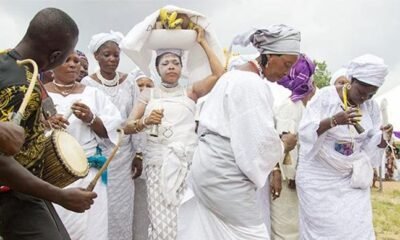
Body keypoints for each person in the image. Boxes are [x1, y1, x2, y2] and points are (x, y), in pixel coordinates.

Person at [177, 24, 299, 240]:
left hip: (207, 169)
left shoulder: (232, 77)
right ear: (270, 57)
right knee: (252, 235)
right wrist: (284, 145)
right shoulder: (250, 84)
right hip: (224, 177)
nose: (287, 72)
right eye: (287, 64)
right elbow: (258, 145)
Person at [0, 8, 97, 240]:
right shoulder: (22, 87)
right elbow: (2, 162)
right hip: (12, 194)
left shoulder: (7, 60)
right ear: (55, 56)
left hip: (24, 189)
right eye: (67, 56)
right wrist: (61, 196)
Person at [123, 26, 224, 240]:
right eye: (165, 63)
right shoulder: (149, 94)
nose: (171, 67)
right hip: (157, 166)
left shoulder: (191, 92)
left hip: (188, 165)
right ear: (157, 68)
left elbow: (219, 74)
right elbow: (126, 126)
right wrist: (145, 121)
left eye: (176, 63)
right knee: (162, 225)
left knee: (188, 219)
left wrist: (203, 42)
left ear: (181, 67)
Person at [296, 54, 393, 239]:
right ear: (351, 81)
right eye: (361, 92)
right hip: (319, 177)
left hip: (351, 177)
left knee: (358, 228)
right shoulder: (325, 97)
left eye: (371, 94)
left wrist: (383, 138)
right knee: (327, 231)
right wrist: (334, 121)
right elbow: (305, 132)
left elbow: (370, 144)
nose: (365, 98)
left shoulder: (371, 107)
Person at [45, 51, 122, 240]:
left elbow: (112, 130)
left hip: (86, 171)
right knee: (51, 225)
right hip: (48, 172)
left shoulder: (94, 94)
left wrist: (91, 118)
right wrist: (45, 123)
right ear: (52, 66)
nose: (73, 65)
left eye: (77, 62)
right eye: (67, 60)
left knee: (92, 228)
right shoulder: (41, 92)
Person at [81, 31, 142, 240]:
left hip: (124, 157)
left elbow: (136, 117)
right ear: (96, 56)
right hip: (98, 156)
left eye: (116, 55)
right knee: (98, 207)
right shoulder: (88, 84)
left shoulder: (130, 82)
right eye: (107, 55)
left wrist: (139, 153)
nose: (112, 59)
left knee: (122, 210)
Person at [269, 54, 316, 240]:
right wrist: (283, 174)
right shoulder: (289, 105)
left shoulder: (301, 106)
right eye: (310, 77)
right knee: (286, 231)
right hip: (286, 181)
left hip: (297, 180)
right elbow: (283, 147)